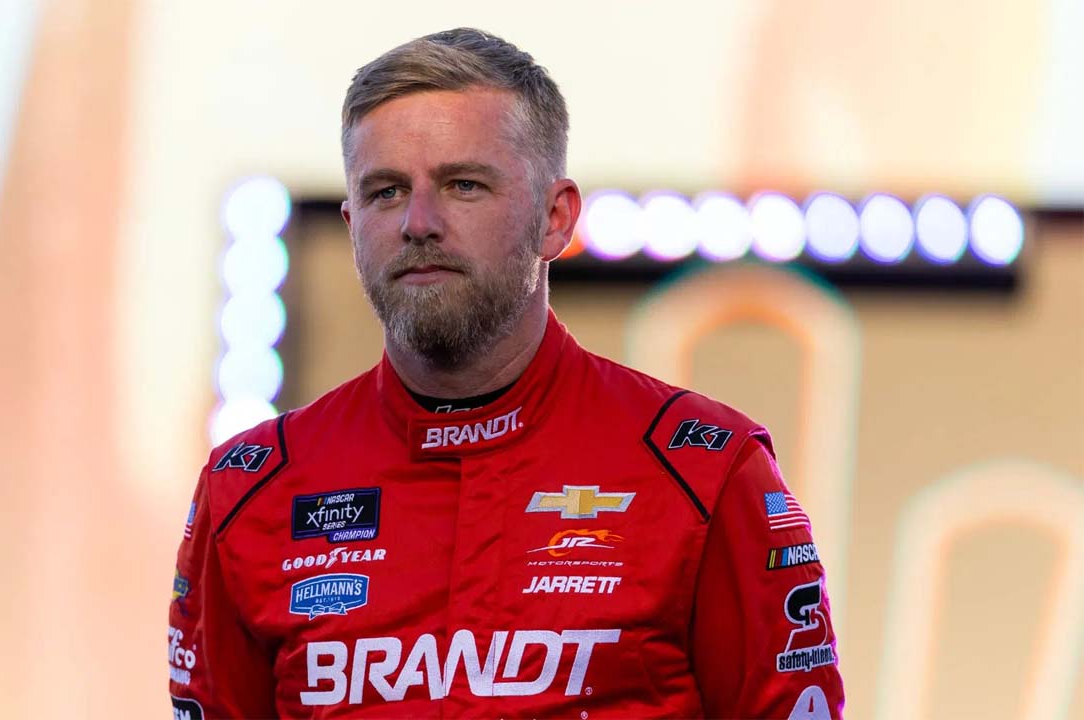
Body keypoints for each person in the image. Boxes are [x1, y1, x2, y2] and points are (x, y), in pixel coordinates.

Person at [169, 27, 844, 719]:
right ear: (351, 224)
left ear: (555, 218)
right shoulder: (250, 489)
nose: (418, 222)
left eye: (463, 185)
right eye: (386, 192)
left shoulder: (706, 473)